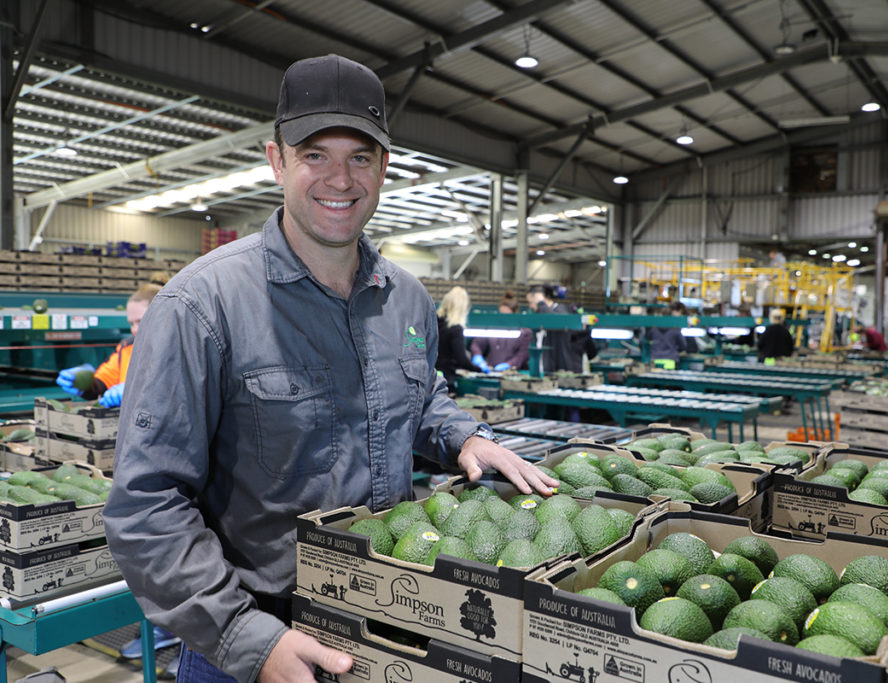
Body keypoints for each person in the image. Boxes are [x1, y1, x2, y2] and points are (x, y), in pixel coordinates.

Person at [103, 54, 556, 683]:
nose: (339, 179)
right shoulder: (199, 306)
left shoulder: (406, 298)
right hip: (253, 637)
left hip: (392, 626)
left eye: (360, 157)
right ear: (276, 161)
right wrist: (249, 641)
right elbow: (145, 507)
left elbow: (419, 395)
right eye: (315, 154)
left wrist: (463, 435)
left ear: (384, 168)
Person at [55, 275, 167, 408]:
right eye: (131, 323)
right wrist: (84, 384)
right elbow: (103, 383)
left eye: (140, 321)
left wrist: (135, 390)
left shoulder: (180, 348)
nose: (135, 330)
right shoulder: (127, 348)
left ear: (163, 315)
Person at [469, 291, 532, 372]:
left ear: (515, 313)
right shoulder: (493, 328)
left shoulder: (524, 332)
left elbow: (523, 355)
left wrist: (509, 364)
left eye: (507, 315)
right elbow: (477, 344)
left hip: (513, 373)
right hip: (491, 371)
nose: (503, 318)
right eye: (501, 314)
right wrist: (477, 356)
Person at [435, 286, 478, 393]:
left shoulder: (434, 322)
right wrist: (480, 370)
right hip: (446, 382)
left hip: (432, 378)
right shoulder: (455, 329)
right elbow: (462, 359)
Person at [526, 284, 574, 373]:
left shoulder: (561, 311)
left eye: (531, 302)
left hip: (559, 370)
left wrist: (540, 303)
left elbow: (556, 321)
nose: (530, 306)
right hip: (544, 369)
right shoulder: (540, 314)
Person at [646, 301, 689, 369]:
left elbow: (645, 342)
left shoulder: (653, 329)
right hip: (670, 362)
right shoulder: (675, 330)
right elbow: (683, 346)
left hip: (654, 361)